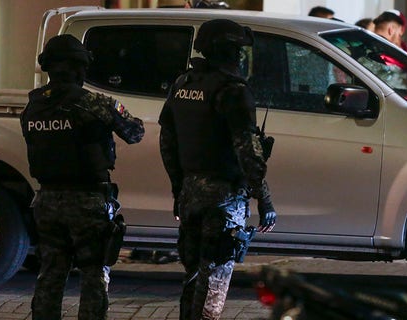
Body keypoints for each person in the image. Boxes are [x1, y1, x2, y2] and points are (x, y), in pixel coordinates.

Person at [158, 19, 277, 320]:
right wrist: (264, 201)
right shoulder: (233, 91)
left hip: (190, 193)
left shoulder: (183, 85)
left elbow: (167, 143)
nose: (240, 58)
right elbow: (247, 152)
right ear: (229, 51)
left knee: (194, 273)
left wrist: (178, 188)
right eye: (238, 51)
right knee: (214, 279)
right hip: (224, 198)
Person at [21, 34, 145, 320]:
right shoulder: (92, 102)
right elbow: (135, 132)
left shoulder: (33, 106)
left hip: (47, 201)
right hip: (87, 202)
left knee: (50, 274)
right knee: (93, 275)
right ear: (80, 67)